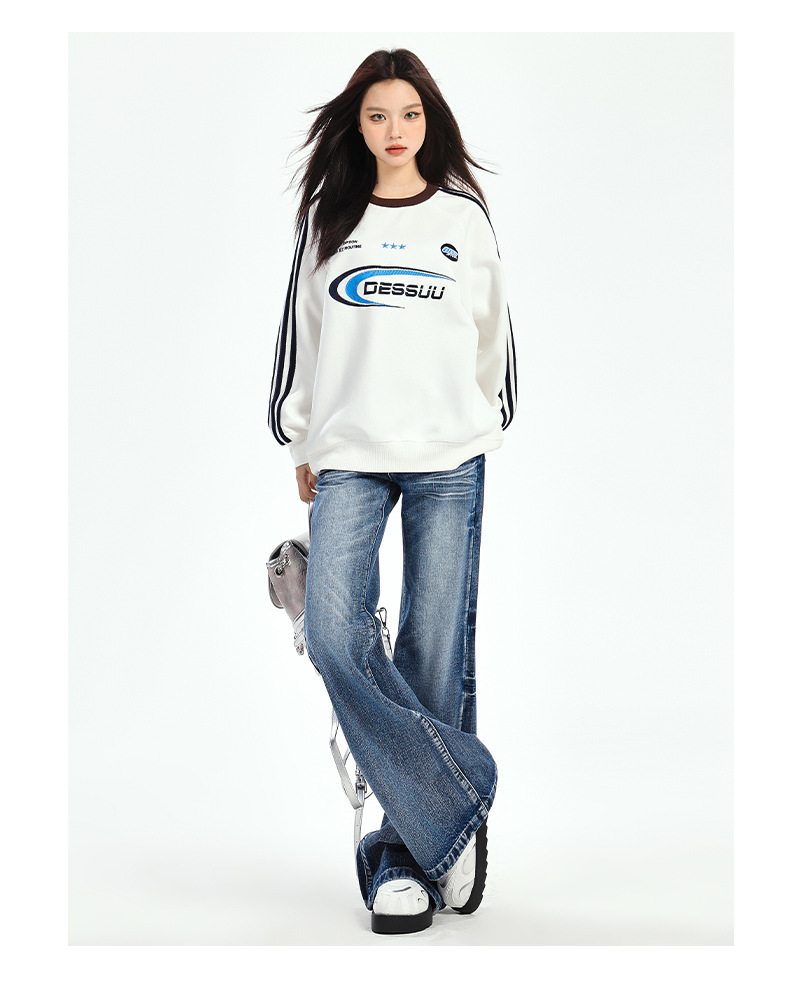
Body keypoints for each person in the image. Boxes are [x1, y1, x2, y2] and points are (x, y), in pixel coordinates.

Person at [267, 48, 518, 934]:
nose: (395, 130)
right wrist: (300, 435)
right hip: (349, 452)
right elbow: (300, 336)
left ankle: (403, 859)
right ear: (360, 127)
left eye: (409, 114)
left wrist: (481, 423)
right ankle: (459, 800)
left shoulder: (462, 218)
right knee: (335, 635)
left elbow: (495, 338)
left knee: (430, 651)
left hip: (450, 455)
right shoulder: (331, 219)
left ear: (428, 122)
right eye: (378, 116)